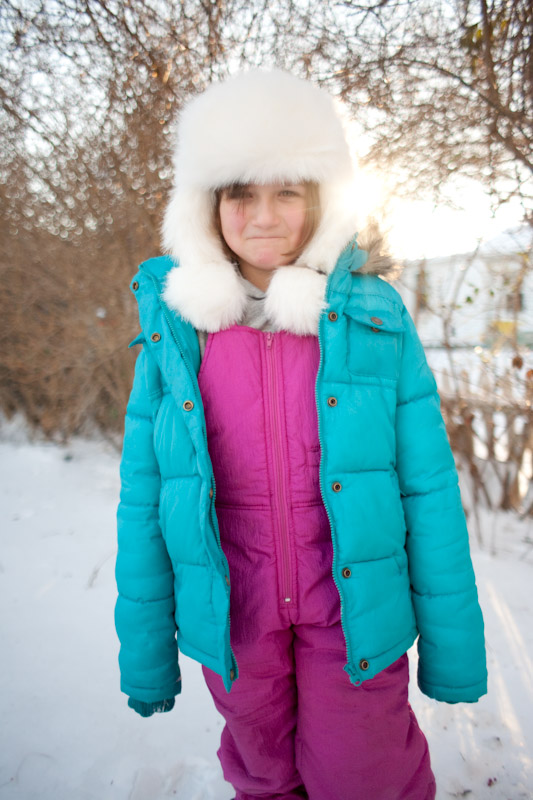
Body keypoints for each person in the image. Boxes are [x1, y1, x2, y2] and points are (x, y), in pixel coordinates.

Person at [115, 69, 487, 800]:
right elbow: (146, 497)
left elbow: (427, 487)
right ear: (205, 205)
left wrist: (452, 645)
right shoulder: (178, 334)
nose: (264, 216)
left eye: (287, 191)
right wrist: (146, 653)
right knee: (263, 778)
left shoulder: (372, 318)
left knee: (364, 776)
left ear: (320, 198)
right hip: (236, 623)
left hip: (354, 620)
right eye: (240, 193)